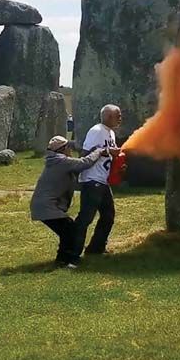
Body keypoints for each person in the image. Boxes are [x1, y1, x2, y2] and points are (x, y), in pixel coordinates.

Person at [29, 136, 107, 267]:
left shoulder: (56, 161)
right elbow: (84, 163)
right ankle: (65, 261)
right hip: (47, 206)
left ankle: (63, 259)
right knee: (69, 230)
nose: (71, 149)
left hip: (43, 205)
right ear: (63, 149)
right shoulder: (61, 161)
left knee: (67, 230)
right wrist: (99, 151)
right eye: (69, 147)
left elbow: (74, 179)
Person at [75, 104, 123, 256]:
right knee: (85, 218)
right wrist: (106, 151)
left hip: (103, 181)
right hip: (91, 180)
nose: (120, 118)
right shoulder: (96, 131)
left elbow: (108, 156)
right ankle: (71, 251)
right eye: (118, 115)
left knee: (108, 216)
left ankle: (95, 249)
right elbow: (84, 154)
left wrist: (117, 166)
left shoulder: (111, 134)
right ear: (108, 116)